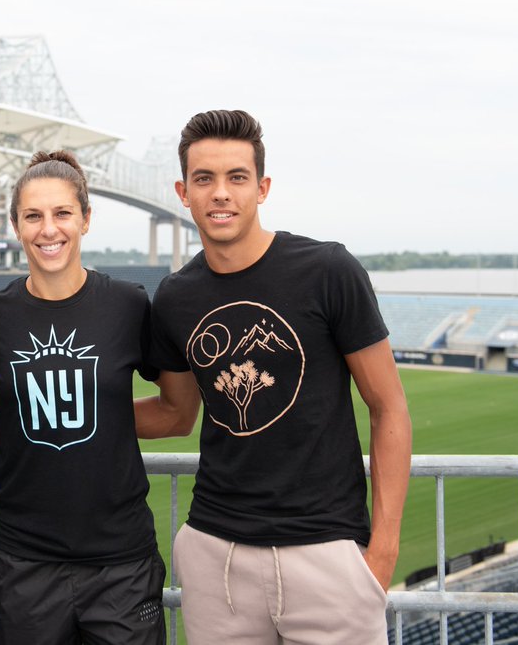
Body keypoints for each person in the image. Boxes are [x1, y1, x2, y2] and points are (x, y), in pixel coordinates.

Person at [146, 110, 413, 644]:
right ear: (183, 191)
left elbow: (389, 408)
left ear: (262, 188)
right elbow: (176, 414)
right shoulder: (174, 297)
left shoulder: (328, 271)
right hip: (216, 559)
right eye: (204, 179)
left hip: (327, 557)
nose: (220, 193)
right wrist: (67, 413)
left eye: (236, 178)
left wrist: (381, 553)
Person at [0, 150, 195, 645]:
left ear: (86, 220)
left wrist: (94, 416)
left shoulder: (128, 305)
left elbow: (179, 413)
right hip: (24, 564)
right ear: (16, 226)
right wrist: (26, 422)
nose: (49, 229)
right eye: (34, 216)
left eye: (62, 213)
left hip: (122, 564)